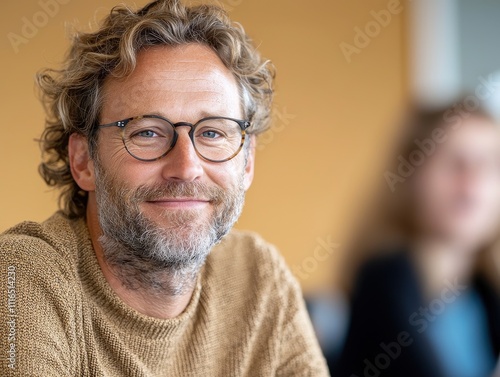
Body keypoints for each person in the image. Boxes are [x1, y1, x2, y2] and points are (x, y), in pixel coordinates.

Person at [0, 1, 329, 376]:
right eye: (147, 132)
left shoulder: (257, 277)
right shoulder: (24, 276)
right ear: (83, 161)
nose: (186, 167)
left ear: (247, 161)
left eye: (212, 132)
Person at [334, 102, 500, 377]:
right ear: (410, 175)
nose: (472, 180)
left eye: (489, 163)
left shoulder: (485, 295)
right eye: (452, 160)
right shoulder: (382, 283)